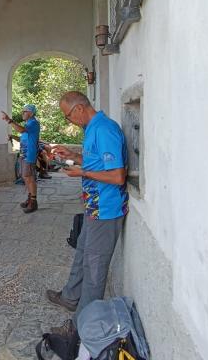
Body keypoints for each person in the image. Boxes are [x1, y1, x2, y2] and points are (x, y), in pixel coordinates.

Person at [46, 91, 128, 334]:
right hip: (94, 206)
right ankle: (71, 296)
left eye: (68, 116)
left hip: (106, 210)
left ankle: (80, 327)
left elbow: (117, 176)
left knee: (94, 269)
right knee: (82, 251)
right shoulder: (92, 128)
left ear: (80, 108)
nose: (68, 120)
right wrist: (73, 158)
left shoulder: (104, 129)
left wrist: (82, 173)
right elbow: (97, 163)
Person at [1, 104, 40, 213]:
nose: (22, 113)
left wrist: (9, 120)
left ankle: (33, 202)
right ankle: (30, 198)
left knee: (29, 177)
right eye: (22, 111)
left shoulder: (34, 123)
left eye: (25, 111)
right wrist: (13, 137)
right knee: (25, 176)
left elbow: (22, 130)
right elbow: (22, 137)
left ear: (31, 113)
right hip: (24, 154)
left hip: (30, 155)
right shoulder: (27, 124)